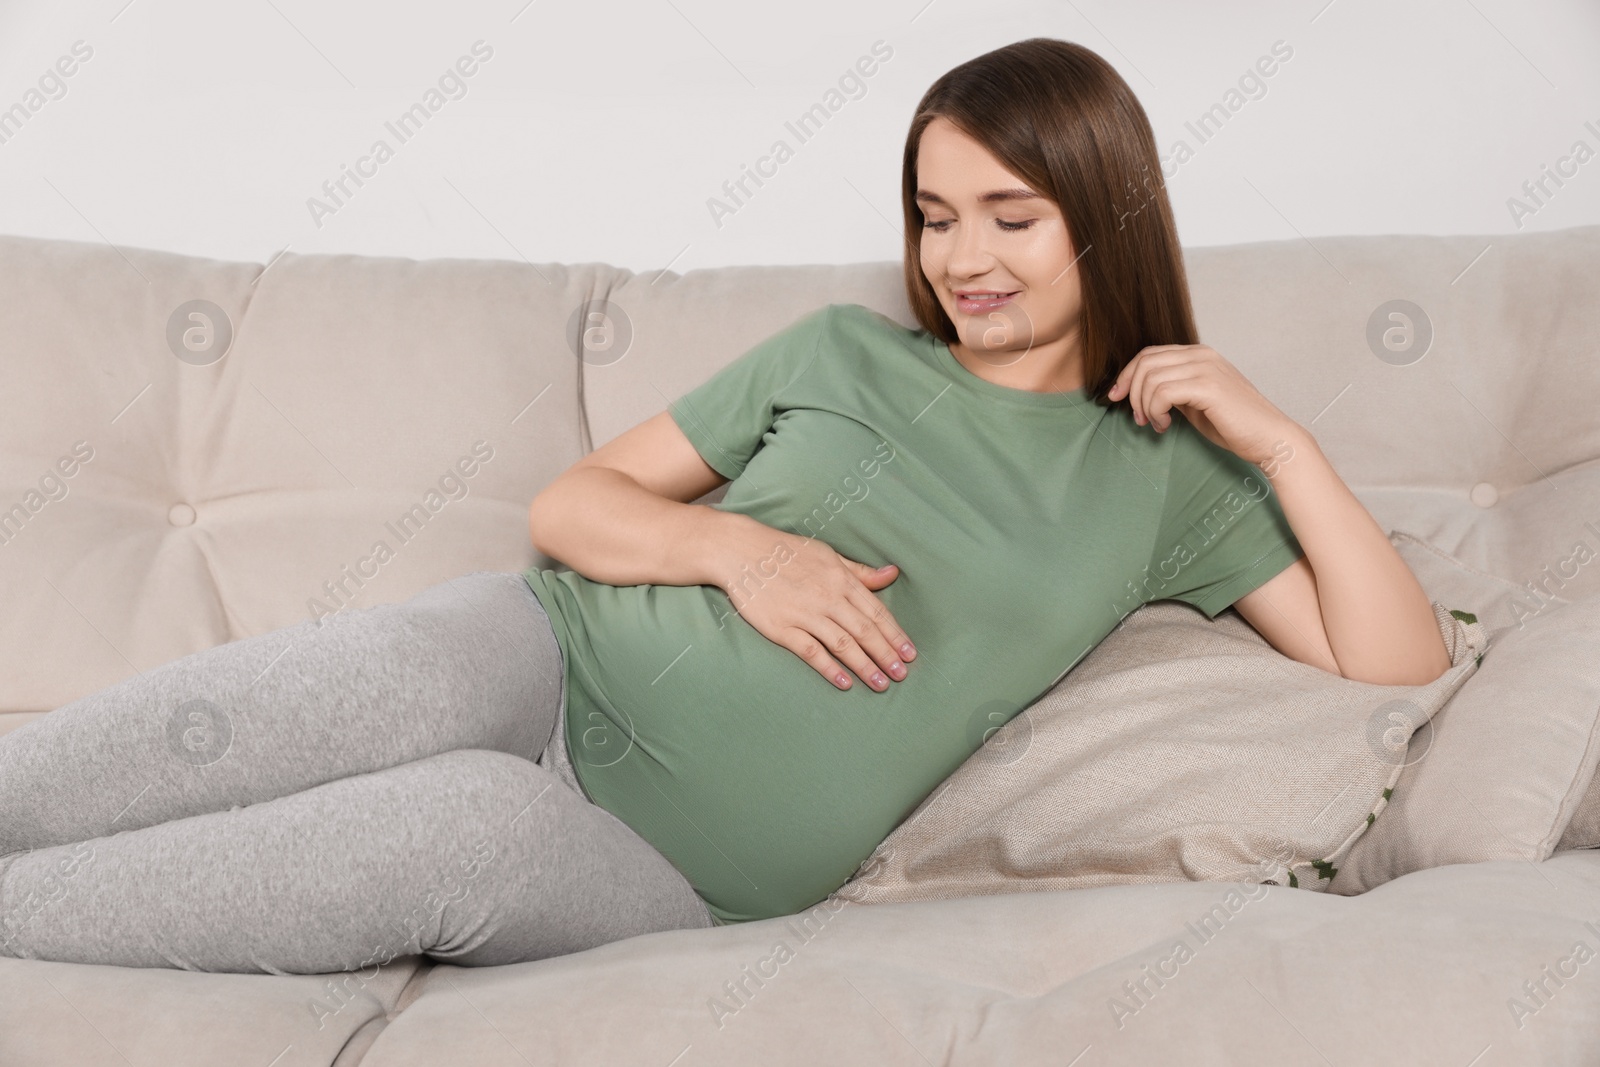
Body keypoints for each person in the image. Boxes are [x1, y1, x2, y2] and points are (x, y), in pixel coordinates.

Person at [0, 37, 1450, 975]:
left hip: (680, 865)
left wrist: (1284, 447)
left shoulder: (1162, 478)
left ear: (1104, 217)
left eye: (1012, 215)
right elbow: (577, 504)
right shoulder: (839, 353)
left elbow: (1394, 663)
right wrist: (740, 554)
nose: (964, 257)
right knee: (379, 676)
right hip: (548, 656)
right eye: (938, 216)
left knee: (459, 832)